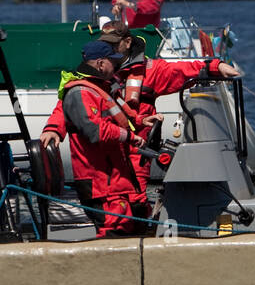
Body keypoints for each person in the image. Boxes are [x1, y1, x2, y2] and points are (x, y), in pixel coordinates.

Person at [99, 22, 242, 217]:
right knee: (105, 201)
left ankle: (139, 231)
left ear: (127, 42)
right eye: (105, 43)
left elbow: (182, 70)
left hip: (135, 153)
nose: (109, 49)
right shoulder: (97, 69)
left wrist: (215, 66)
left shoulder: (151, 71)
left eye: (113, 44)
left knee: (134, 202)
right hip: (103, 151)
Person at [39, 41, 151, 238]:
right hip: (100, 182)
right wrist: (130, 137)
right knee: (113, 231)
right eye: (112, 62)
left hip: (115, 179)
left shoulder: (102, 87)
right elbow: (95, 130)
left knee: (129, 225)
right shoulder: (81, 91)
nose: (115, 66)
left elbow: (120, 114)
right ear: (100, 64)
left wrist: (141, 120)